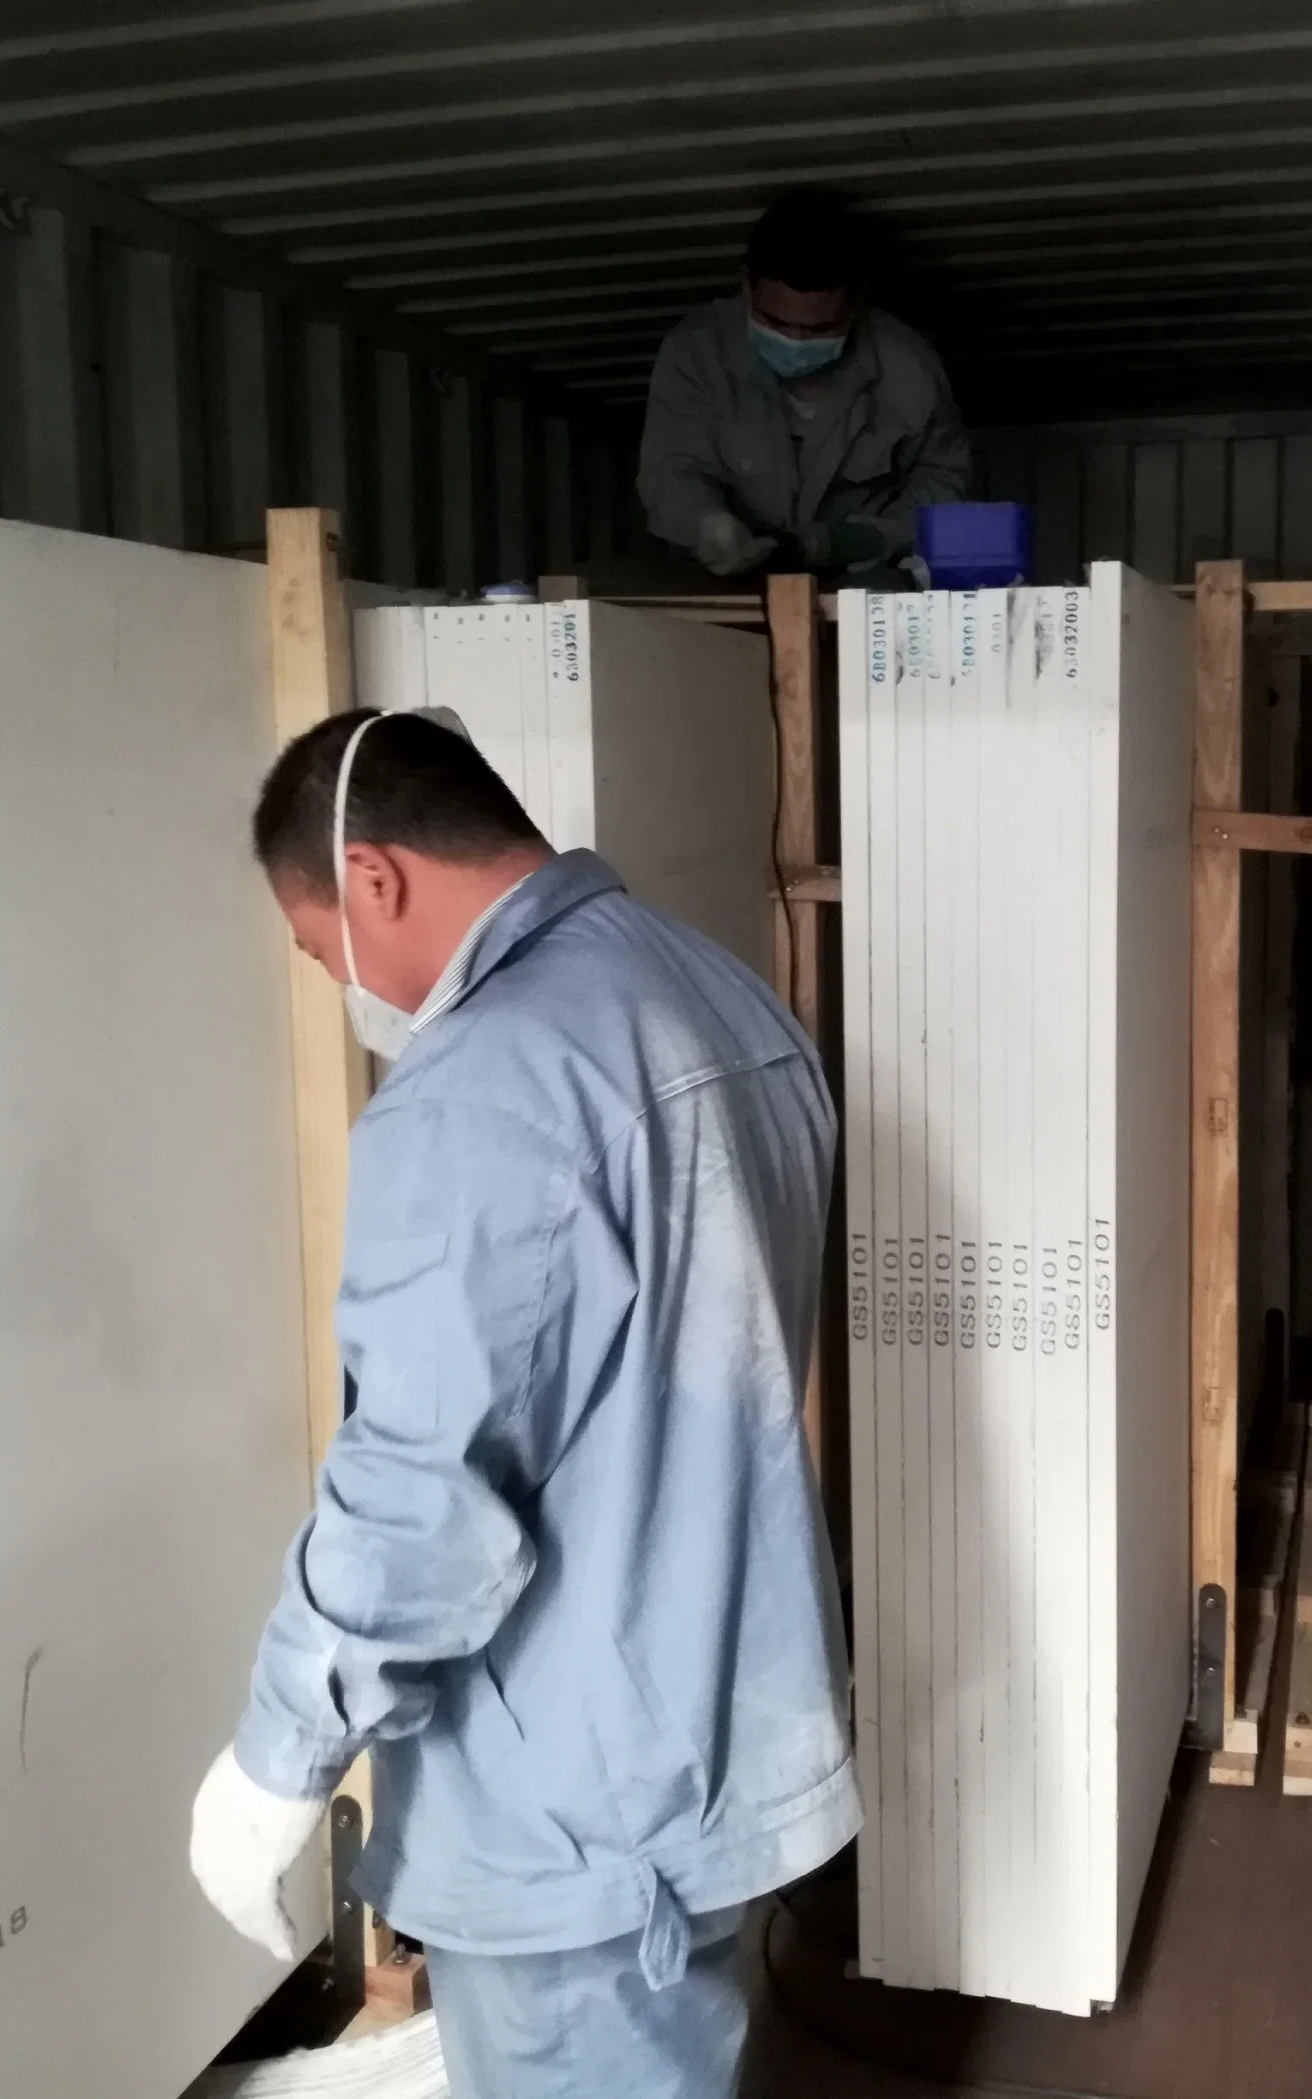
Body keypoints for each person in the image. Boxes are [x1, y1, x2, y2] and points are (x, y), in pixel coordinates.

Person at [187, 711, 855, 2098]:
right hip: (718, 1736)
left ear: (373, 879)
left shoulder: (480, 1091)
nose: (344, 987)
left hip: (574, 1818)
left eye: (320, 952)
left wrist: (276, 1755)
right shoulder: (726, 996)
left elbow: (420, 1491)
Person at [638, 189, 973, 582]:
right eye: (775, 324)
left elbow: (945, 483)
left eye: (820, 329)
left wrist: (857, 539)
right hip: (725, 581)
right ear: (746, 285)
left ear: (857, 303)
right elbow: (671, 468)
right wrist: (706, 523)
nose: (795, 340)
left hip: (862, 583)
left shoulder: (909, 367)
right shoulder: (696, 352)